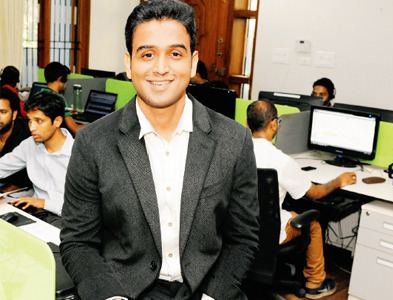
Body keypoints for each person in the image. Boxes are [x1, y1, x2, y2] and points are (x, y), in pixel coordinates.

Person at [60, 1, 259, 300]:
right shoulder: (92, 142)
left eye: (175, 54)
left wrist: (214, 296)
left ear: (192, 63)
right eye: (148, 54)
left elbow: (243, 238)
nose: (161, 68)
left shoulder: (234, 140)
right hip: (123, 290)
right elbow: (77, 241)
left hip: (207, 290)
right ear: (129, 64)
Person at [247, 100, 357, 299]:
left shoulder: (236, 152)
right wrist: (337, 182)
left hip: (238, 228)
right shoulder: (281, 161)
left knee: (292, 211)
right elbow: (314, 193)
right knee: (313, 222)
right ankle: (316, 283)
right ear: (274, 124)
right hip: (267, 232)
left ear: (247, 125)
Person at [0, 90, 74, 227]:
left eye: (39, 121)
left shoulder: (77, 154)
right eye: (30, 121)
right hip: (35, 212)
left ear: (57, 121)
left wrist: (43, 203)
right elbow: (2, 167)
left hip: (65, 219)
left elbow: (84, 208)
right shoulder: (30, 145)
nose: (32, 128)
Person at [0, 87, 31, 192]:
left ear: (14, 114)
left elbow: (25, 180)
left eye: (3, 112)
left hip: (20, 191)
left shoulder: (28, 135)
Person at [43, 61, 85, 134]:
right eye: (66, 79)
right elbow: (75, 129)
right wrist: (92, 125)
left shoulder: (40, 94)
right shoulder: (59, 99)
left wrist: (65, 111)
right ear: (60, 78)